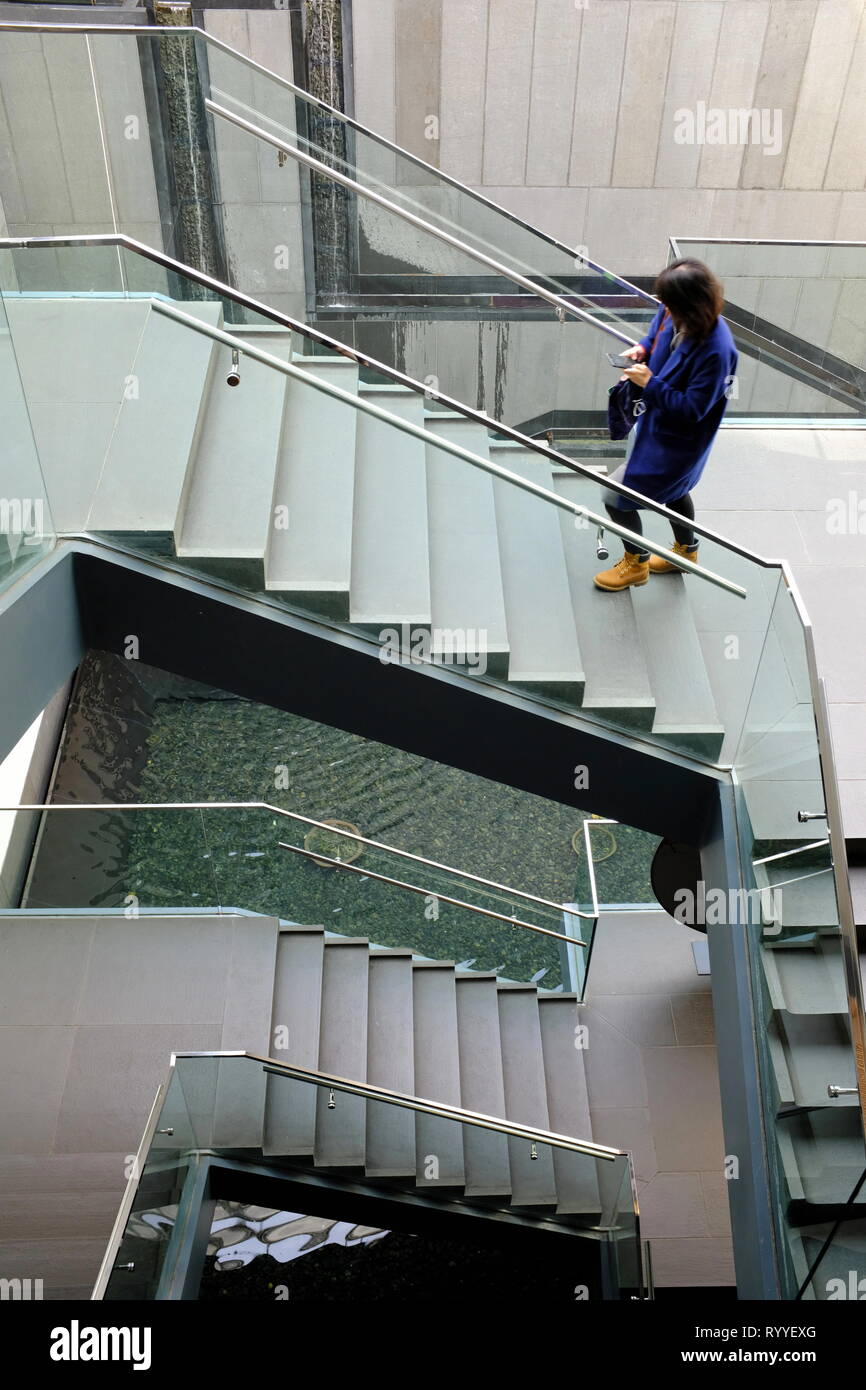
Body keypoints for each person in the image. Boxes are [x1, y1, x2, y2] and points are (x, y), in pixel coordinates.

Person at [594, 258, 738, 591]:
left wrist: (649, 384)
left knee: (613, 496)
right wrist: (641, 349)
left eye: (670, 305)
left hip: (678, 443)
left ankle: (636, 563)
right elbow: (654, 335)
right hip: (658, 427)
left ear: (691, 304)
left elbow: (693, 409)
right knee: (678, 491)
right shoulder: (674, 309)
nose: (664, 310)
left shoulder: (717, 351)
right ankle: (686, 553)